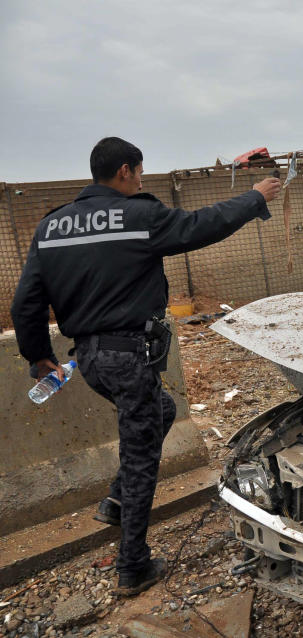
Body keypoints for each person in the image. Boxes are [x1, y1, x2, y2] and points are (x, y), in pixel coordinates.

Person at [10, 137, 281, 597]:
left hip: (89, 359)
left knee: (161, 412)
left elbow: (25, 305)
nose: (141, 180)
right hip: (129, 355)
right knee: (141, 458)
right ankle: (132, 565)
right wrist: (255, 197)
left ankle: (117, 501)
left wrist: (40, 357)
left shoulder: (50, 227)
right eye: (138, 172)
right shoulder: (139, 217)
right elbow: (202, 225)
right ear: (123, 172)